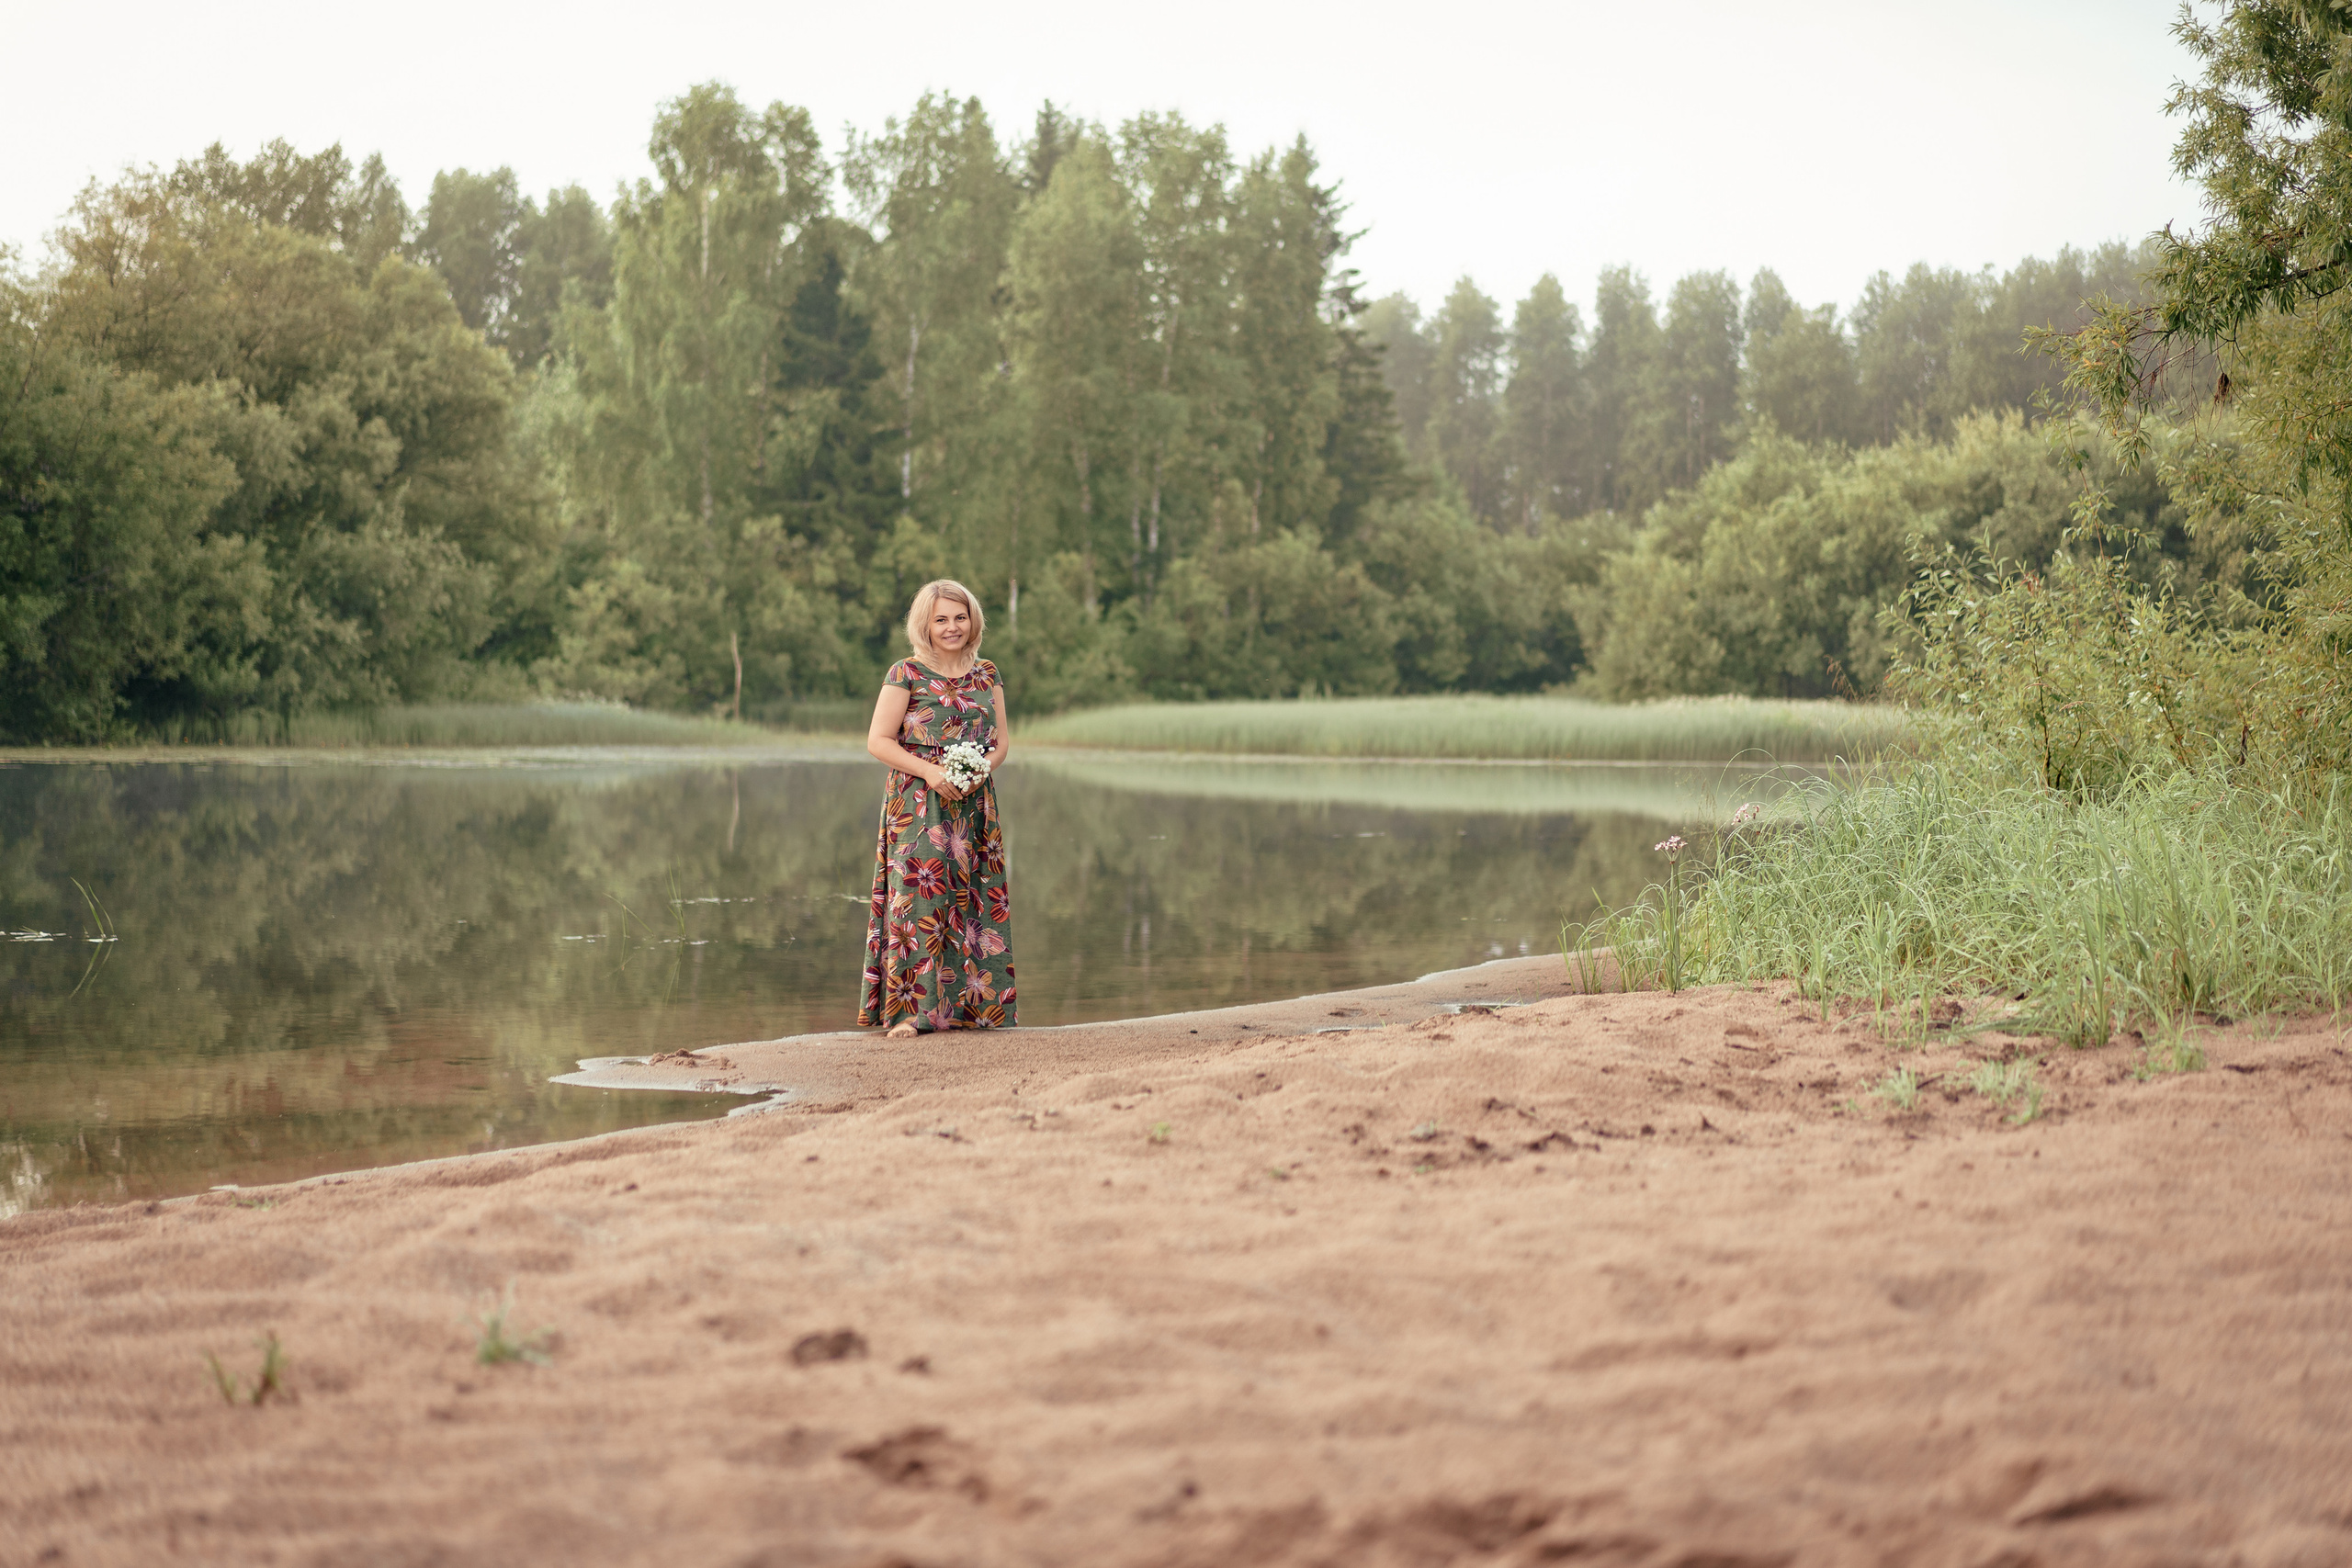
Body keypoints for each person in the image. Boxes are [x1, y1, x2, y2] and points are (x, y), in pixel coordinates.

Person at [857, 580, 1016, 1038]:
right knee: (918, 900)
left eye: (960, 617)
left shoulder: (987, 674)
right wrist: (931, 773)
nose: (952, 627)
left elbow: (1002, 742)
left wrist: (978, 770)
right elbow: (877, 741)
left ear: (973, 621)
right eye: (941, 619)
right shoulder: (905, 672)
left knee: (973, 898)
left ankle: (970, 1009)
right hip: (917, 802)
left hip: (974, 804)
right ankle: (911, 1014)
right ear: (924, 624)